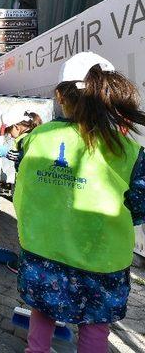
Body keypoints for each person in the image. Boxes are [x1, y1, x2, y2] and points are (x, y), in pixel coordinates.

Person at [14, 52, 145, 353]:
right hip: (102, 261)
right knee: (95, 330)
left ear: (60, 95)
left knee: (42, 315)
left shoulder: (38, 137)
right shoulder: (127, 150)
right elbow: (139, 208)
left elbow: (23, 182)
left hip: (43, 251)